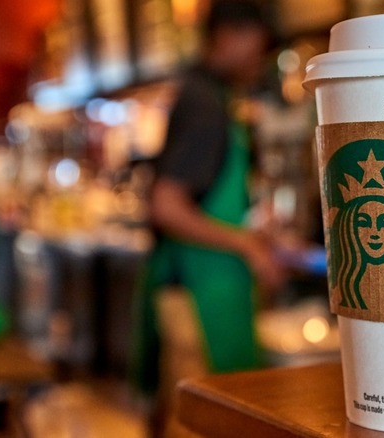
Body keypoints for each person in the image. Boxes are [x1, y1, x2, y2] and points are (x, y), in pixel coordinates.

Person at [130, 0, 287, 434]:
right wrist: (247, 244)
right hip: (196, 300)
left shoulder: (209, 96)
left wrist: (256, 233)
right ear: (229, 34)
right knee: (199, 424)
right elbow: (166, 204)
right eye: (258, 42)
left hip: (209, 290)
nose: (261, 54)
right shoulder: (203, 103)